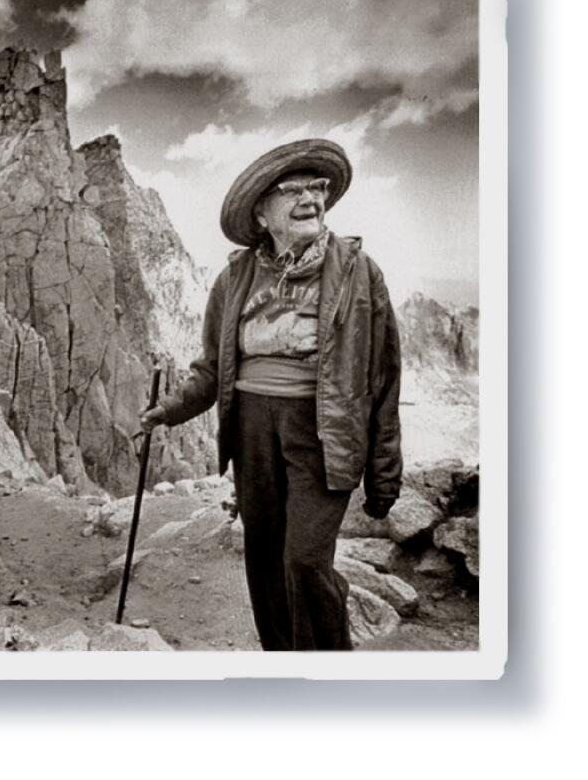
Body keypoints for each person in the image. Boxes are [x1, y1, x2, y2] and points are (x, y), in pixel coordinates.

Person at [140, 138, 402, 651]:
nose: (311, 199)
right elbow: (212, 368)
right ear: (262, 214)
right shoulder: (235, 277)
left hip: (324, 431)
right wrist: (169, 410)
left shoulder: (359, 272)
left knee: (305, 560)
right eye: (293, 190)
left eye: (318, 187)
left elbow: (383, 376)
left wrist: (384, 471)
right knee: (264, 559)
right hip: (252, 430)